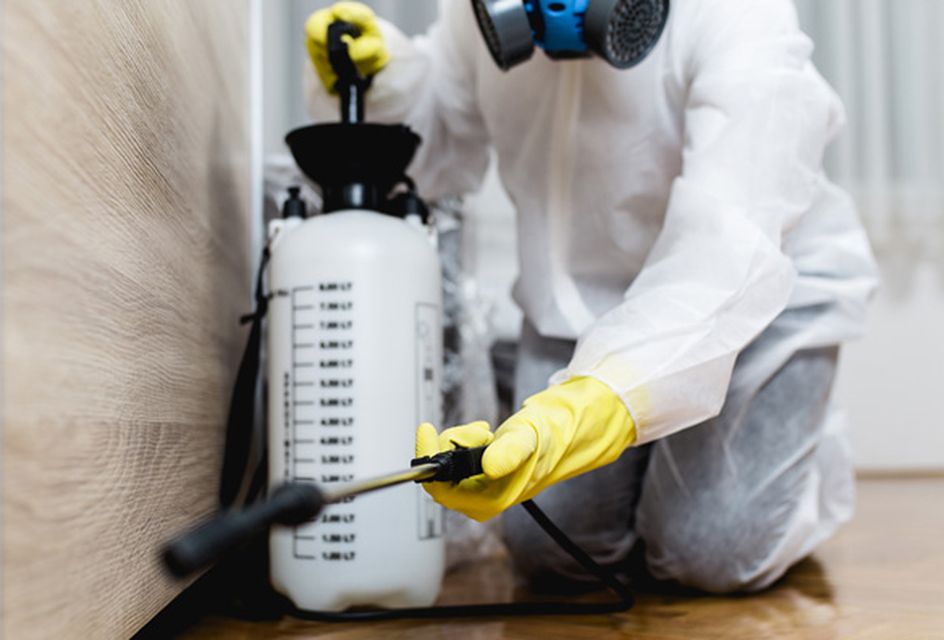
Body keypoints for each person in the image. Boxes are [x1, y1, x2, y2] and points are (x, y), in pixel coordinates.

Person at [304, 0, 878, 593]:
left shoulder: (733, 14)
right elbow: (434, 149)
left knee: (708, 552)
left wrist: (603, 403)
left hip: (756, 295)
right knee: (553, 552)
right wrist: (381, 83)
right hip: (578, 310)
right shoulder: (480, 17)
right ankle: (647, 448)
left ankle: (792, 453)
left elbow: (728, 247)